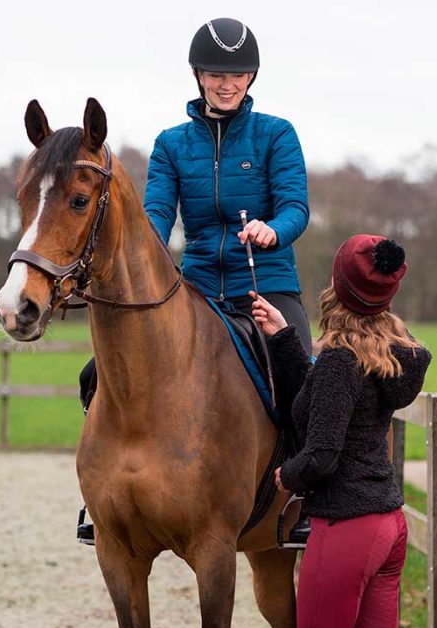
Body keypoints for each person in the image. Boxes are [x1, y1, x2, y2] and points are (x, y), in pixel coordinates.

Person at [78, 16, 312, 544]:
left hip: (266, 283)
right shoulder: (171, 144)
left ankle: (310, 496)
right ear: (197, 74)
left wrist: (273, 230)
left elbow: (296, 206)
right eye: (215, 73)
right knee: (97, 373)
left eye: (237, 75)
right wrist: (143, 254)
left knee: (303, 376)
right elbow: (155, 215)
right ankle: (100, 497)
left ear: (251, 78)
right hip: (198, 286)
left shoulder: (276, 134)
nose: (226, 84)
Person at [238, 235, 432, 628]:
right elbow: (323, 403)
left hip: (344, 529)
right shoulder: (389, 356)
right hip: (388, 528)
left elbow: (319, 450)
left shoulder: (345, 361)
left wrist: (287, 477)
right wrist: (282, 339)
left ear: (337, 287)